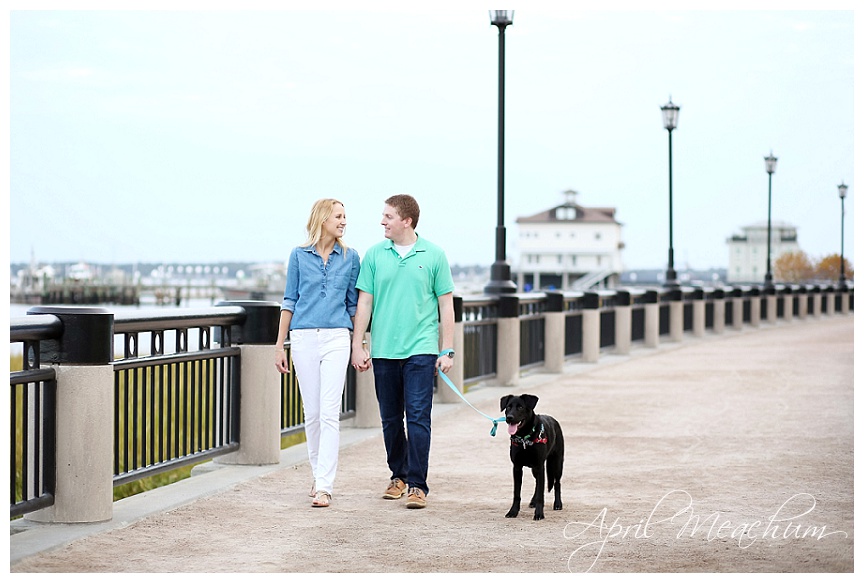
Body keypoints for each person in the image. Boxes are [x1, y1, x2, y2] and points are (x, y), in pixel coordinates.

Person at [351, 194, 455, 509]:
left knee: (419, 417)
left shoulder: (434, 255)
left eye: (388, 216)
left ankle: (417, 485)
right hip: (383, 349)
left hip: (421, 349)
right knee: (391, 419)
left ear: (406, 220)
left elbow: (446, 305)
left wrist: (447, 349)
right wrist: (358, 344)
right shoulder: (373, 255)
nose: (382, 221)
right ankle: (398, 475)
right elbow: (364, 303)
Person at [275, 198, 360, 508]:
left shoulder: (351, 258)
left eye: (344, 217)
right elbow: (290, 301)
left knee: (329, 413)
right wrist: (279, 345)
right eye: (338, 216)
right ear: (323, 219)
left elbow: (353, 305)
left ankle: (325, 485)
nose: (343, 222)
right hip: (303, 338)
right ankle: (317, 473)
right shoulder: (298, 256)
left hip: (338, 336)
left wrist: (360, 343)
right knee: (311, 414)